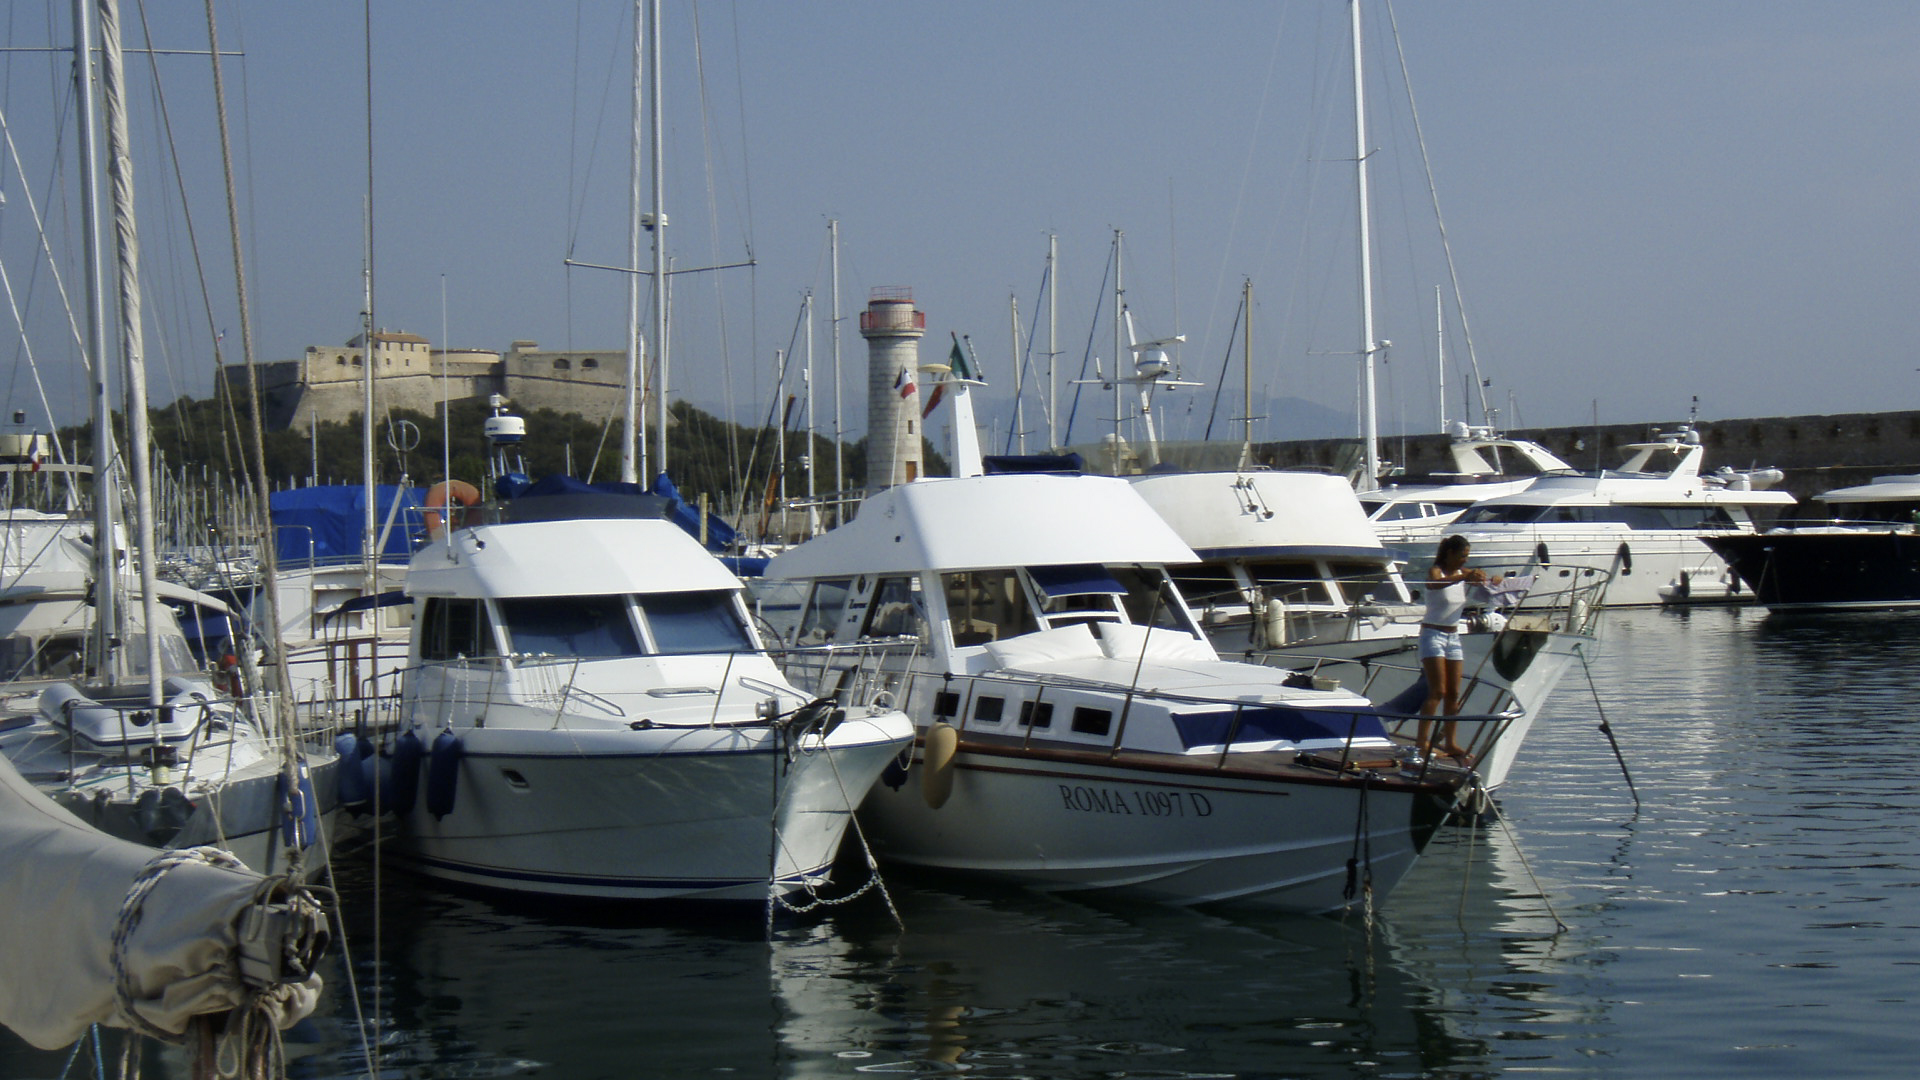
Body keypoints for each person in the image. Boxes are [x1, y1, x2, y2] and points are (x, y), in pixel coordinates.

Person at [1417, 534, 1499, 763]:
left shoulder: (1465, 575)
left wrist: (1493, 580)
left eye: (1467, 557)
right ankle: (1421, 742)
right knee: (1438, 691)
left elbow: (1483, 584)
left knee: (1454, 693)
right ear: (1449, 554)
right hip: (1432, 634)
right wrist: (1462, 577)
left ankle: (1450, 742)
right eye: (1462, 556)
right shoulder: (1437, 571)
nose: (1465, 560)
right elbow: (1434, 584)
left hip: (1453, 637)